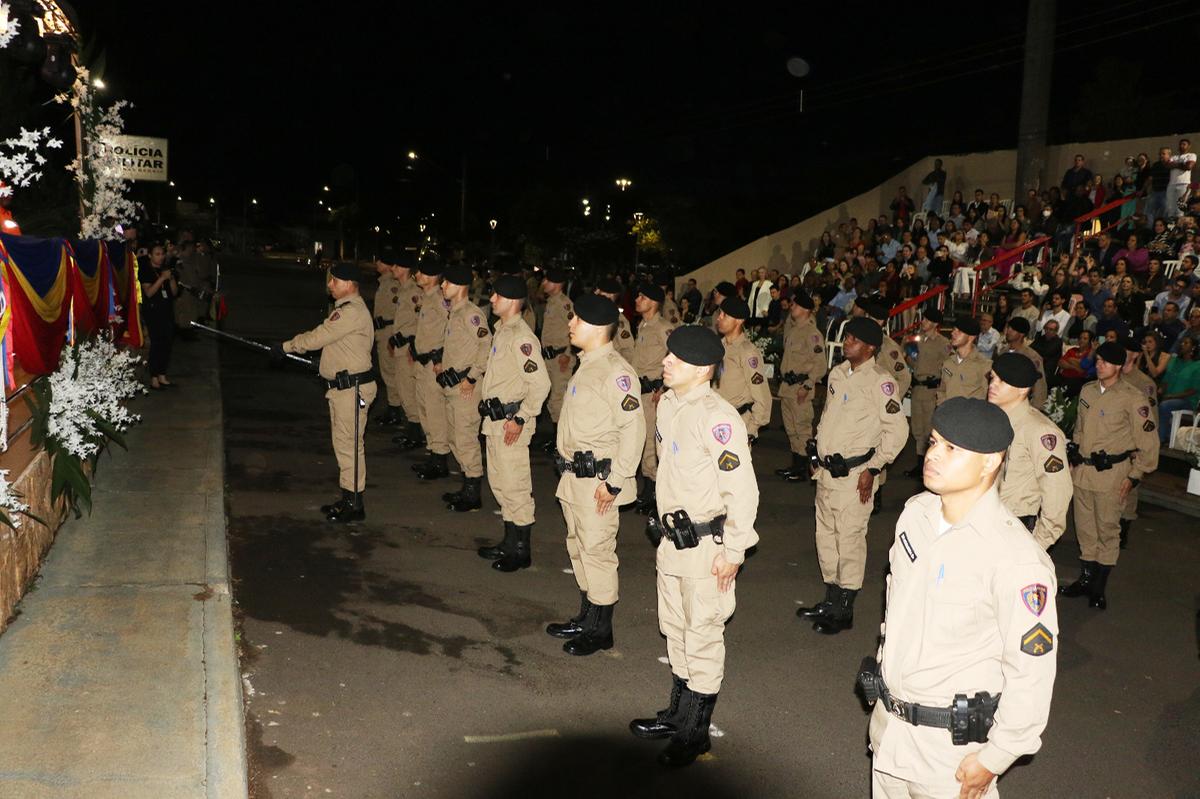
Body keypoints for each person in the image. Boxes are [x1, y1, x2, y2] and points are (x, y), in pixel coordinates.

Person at [866, 398, 1058, 799]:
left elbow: (1031, 673)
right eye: (934, 442)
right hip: (890, 730)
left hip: (948, 756)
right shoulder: (915, 515)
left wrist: (995, 758)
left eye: (952, 448)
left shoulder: (1017, 560)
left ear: (990, 463)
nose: (933, 454)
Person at [628, 325, 759, 767]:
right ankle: (677, 712)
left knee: (703, 634)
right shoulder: (667, 405)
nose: (665, 362)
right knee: (676, 628)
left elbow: (743, 490)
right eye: (667, 355)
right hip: (672, 541)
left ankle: (695, 732)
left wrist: (734, 552)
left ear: (702, 370)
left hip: (707, 546)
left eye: (675, 359)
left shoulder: (719, 419)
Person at [545, 295, 645, 656]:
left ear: (598, 328)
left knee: (598, 551)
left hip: (599, 481)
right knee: (579, 547)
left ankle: (602, 630)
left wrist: (615, 482)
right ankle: (587, 616)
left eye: (577, 319)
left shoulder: (616, 373)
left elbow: (633, 431)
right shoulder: (586, 364)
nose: (570, 323)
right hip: (575, 478)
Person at [797, 317, 907, 635]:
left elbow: (897, 431)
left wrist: (874, 467)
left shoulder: (880, 382)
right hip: (827, 473)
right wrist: (816, 455)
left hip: (855, 473)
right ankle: (831, 599)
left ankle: (844, 610)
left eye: (855, 340)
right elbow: (828, 417)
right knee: (826, 538)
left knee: (849, 540)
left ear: (870, 348)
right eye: (847, 338)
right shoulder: (837, 374)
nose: (847, 343)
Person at [1060, 341, 1159, 609]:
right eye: (1098, 360)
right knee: (1085, 530)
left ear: (1117, 365)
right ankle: (1085, 579)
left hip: (1112, 474)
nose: (1099, 365)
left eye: (1104, 362)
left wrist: (1135, 476)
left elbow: (1149, 442)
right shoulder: (1088, 390)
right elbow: (1080, 428)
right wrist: (1074, 457)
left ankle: (1099, 588)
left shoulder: (1133, 397)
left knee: (1107, 530)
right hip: (1083, 472)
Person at [280, 263, 376, 522]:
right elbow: (337, 345)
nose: (330, 285)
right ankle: (349, 497)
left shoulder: (350, 311)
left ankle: (355, 504)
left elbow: (319, 337)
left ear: (349, 284)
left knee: (350, 446)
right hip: (343, 389)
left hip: (351, 389)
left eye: (334, 281)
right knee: (344, 445)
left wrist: (287, 346)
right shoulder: (346, 310)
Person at [475, 274, 551, 571]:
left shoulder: (521, 337)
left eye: (497, 295)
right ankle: (508, 541)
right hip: (495, 421)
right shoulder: (503, 331)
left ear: (513, 301)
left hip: (511, 423)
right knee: (500, 482)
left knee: (515, 486)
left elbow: (541, 384)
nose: (491, 299)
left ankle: (521, 550)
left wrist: (521, 418)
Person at [988, 353, 1072, 549]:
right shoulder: (991, 421)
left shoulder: (1040, 432)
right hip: (983, 520)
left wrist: (1037, 545)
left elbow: (1057, 493)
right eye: (992, 378)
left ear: (1023, 389)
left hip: (1014, 527)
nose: (993, 385)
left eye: (1002, 381)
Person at [434, 264, 492, 511]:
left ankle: (473, 494)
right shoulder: (455, 312)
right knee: (456, 438)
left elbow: (486, 345)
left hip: (465, 389)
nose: (443, 286)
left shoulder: (471, 314)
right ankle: (466, 486)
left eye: (447, 283)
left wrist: (471, 377)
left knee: (466, 439)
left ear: (460, 286)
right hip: (453, 387)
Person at [630, 283, 675, 514]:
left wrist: (665, 388)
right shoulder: (643, 325)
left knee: (650, 443)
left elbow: (676, 356)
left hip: (652, 394)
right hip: (639, 392)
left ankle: (655, 494)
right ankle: (647, 490)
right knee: (641, 440)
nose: (637, 299)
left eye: (642, 297)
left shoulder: (663, 328)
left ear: (654, 302)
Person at [775, 291, 827, 482]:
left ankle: (806, 468)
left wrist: (807, 384)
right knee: (791, 429)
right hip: (787, 387)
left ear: (805, 309)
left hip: (800, 388)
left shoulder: (812, 334)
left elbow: (820, 364)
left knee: (802, 429)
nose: (792, 307)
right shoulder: (793, 329)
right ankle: (796, 466)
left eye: (795, 305)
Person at [410, 262, 453, 480]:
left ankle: (440, 459)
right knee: (424, 409)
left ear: (434, 276)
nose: (417, 274)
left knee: (435, 412)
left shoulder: (439, 299)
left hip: (434, 364)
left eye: (422, 271)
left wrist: (441, 357)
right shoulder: (426, 297)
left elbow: (453, 325)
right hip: (422, 362)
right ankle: (433, 453)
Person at [713, 297, 772, 441]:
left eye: (724, 315)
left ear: (739, 320)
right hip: (715, 419)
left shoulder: (747, 352)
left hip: (736, 423)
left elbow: (762, 397)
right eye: (720, 313)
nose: (719, 318)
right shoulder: (718, 346)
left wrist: (750, 431)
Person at [906, 309, 953, 480]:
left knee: (928, 428)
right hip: (917, 388)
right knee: (917, 428)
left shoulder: (942, 343)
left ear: (934, 324)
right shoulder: (919, 339)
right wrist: (908, 353)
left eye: (926, 320)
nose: (923, 322)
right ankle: (920, 464)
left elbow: (951, 363)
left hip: (931, 389)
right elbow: (914, 361)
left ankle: (928, 464)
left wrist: (941, 381)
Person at [386, 256, 424, 449]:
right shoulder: (403, 290)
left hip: (408, 349)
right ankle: (413, 430)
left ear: (405, 268)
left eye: (396, 264)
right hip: (401, 347)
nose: (392, 268)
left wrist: (410, 340)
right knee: (402, 388)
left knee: (408, 390)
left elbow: (421, 322)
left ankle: (416, 433)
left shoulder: (414, 292)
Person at [539, 268, 575, 448]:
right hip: (549, 358)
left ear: (557, 284)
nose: (543, 283)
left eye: (547, 280)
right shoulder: (551, 302)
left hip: (560, 358)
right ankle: (556, 438)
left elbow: (574, 328)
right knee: (552, 400)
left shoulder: (564, 304)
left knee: (558, 399)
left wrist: (567, 354)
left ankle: (561, 442)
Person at [138, 244, 179, 390]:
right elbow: (149, 293)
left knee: (167, 343)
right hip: (153, 311)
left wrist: (171, 278)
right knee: (156, 343)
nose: (160, 257)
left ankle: (162, 374)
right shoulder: (145, 270)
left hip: (167, 310)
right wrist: (162, 278)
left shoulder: (165, 269)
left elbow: (174, 293)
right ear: (150, 255)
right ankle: (154, 377)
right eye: (157, 254)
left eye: (162, 254)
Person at [370, 255, 403, 426]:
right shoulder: (384, 282)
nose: (377, 263)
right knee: (387, 371)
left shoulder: (393, 285)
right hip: (383, 331)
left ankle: (395, 409)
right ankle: (393, 407)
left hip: (389, 332)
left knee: (391, 373)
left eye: (380, 260)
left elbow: (399, 311)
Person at [936, 316, 992, 404]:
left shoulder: (984, 365)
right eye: (954, 329)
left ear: (971, 337)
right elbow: (942, 390)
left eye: (959, 331)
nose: (953, 333)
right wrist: (942, 405)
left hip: (970, 416)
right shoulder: (948, 363)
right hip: (946, 415)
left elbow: (987, 397)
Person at [999, 317, 1047, 408]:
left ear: (1021, 334)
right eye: (1008, 328)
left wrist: (1036, 408)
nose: (1008, 331)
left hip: (1019, 402)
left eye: (1013, 329)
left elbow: (1039, 384)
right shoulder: (1003, 352)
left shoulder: (1031, 356)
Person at [596, 278, 634, 360]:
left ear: (611, 296)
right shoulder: (594, 314)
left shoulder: (619, 320)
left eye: (600, 292)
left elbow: (628, 349)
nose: (596, 292)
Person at [1167, 138, 1195, 220]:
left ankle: (1180, 228)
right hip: (1171, 184)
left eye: (1184, 144)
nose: (1181, 146)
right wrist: (1182, 164)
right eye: (1180, 144)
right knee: (1170, 208)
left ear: (1188, 146)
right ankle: (1171, 227)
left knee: (1181, 208)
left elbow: (1189, 167)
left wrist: (1175, 165)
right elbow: (1168, 166)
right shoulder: (1174, 157)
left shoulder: (1191, 155)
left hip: (1184, 184)